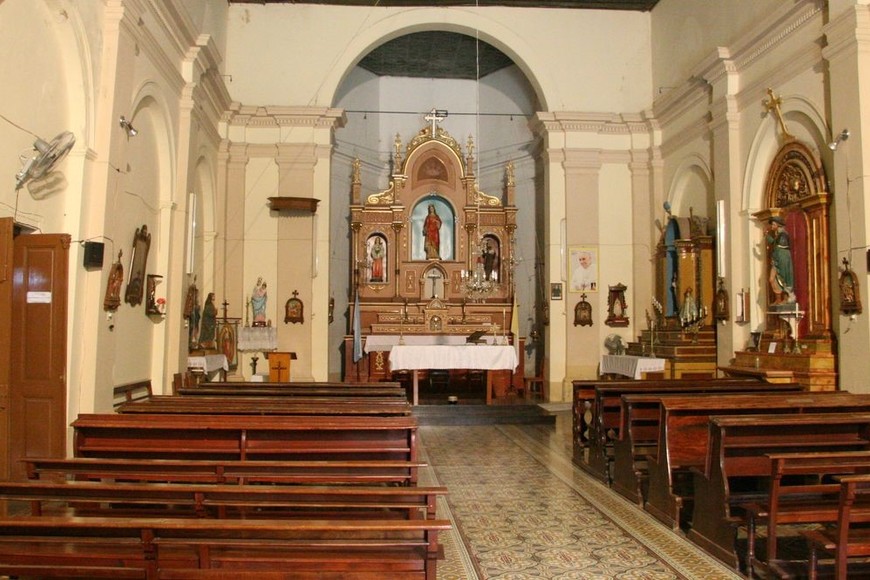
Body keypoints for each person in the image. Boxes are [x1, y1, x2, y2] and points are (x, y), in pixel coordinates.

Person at [766, 216, 794, 305]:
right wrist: (767, 236)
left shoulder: (783, 235)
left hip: (782, 260)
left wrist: (778, 257)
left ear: (778, 225)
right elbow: (774, 243)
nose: (772, 226)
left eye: (773, 224)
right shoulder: (778, 235)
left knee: (783, 278)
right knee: (771, 279)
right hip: (776, 261)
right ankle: (778, 299)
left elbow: (780, 247)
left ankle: (785, 299)